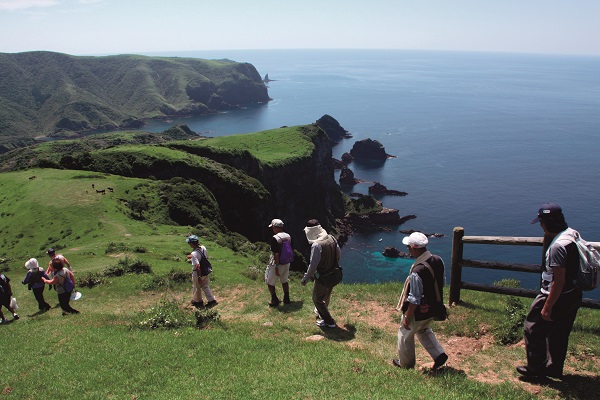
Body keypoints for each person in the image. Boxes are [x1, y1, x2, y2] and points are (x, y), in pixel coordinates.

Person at [517, 203, 582, 379]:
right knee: (559, 332)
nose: (540, 225)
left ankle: (536, 369)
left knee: (532, 329)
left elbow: (557, 281)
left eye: (541, 222)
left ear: (548, 223)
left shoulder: (557, 247)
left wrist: (547, 306)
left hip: (554, 295)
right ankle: (554, 368)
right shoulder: (572, 235)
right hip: (573, 293)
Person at [393, 232, 447, 370]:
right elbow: (442, 282)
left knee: (405, 334)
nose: (408, 250)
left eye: (409, 247)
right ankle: (439, 354)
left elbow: (414, 298)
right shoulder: (437, 260)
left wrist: (407, 316)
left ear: (415, 248)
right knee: (423, 329)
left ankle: (405, 364)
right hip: (434, 307)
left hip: (419, 311)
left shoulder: (418, 270)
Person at [301, 219, 340, 328]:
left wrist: (306, 278)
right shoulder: (332, 238)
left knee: (316, 299)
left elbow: (313, 265)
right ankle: (322, 314)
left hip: (322, 276)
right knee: (326, 295)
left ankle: (329, 321)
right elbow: (338, 254)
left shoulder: (317, 245)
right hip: (333, 273)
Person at [265, 218, 292, 307]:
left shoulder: (275, 238)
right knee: (284, 281)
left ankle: (274, 299)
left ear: (276, 227)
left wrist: (276, 266)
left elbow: (276, 253)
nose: (272, 229)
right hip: (287, 262)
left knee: (270, 282)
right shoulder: (288, 236)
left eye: (272, 227)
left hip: (277, 263)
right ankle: (286, 298)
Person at [187, 235, 217, 308]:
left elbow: (197, 266)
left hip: (197, 273)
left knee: (197, 287)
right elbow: (203, 256)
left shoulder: (194, 254)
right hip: (206, 270)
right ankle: (212, 300)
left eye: (189, 243)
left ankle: (199, 301)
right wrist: (192, 255)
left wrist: (199, 277)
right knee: (205, 286)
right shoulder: (203, 248)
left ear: (192, 243)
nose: (189, 244)